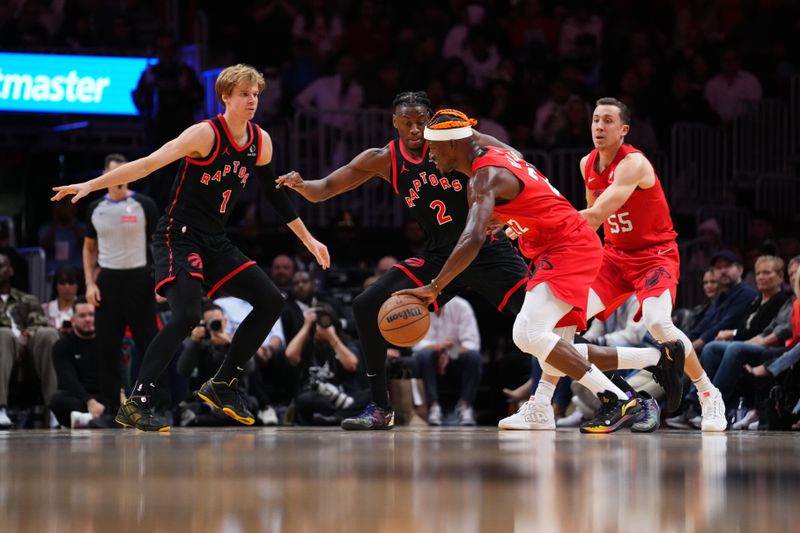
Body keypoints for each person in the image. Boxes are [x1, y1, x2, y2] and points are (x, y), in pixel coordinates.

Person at [279, 94, 677, 432]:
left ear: (448, 138)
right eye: (408, 124)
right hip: (444, 253)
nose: (421, 138)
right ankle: (382, 407)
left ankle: (614, 394)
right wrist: (302, 187)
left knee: (542, 336)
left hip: (493, 250)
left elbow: (476, 229)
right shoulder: (389, 159)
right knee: (368, 305)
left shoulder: (480, 163)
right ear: (395, 123)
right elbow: (327, 187)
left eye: (425, 128)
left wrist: (441, 281)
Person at [51, 64, 329, 431]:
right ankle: (138, 401)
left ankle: (223, 384)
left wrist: (308, 240)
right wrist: (93, 184)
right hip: (177, 236)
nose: (252, 100)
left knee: (271, 300)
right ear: (226, 97)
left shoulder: (261, 142)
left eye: (256, 94)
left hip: (216, 240)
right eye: (244, 94)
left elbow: (275, 198)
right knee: (186, 315)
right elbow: (148, 165)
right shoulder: (204, 135)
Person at [395, 108, 684, 434]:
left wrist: (435, 286)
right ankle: (652, 360)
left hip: (567, 248)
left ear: (453, 146)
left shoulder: (482, 178)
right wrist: (508, 216)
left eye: (434, 147)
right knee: (556, 351)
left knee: (526, 333)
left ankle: (617, 399)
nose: (428, 154)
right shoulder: (493, 153)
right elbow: (515, 164)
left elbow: (473, 237)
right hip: (563, 244)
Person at [521, 98, 726, 431]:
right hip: (614, 257)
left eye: (608, 121)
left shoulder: (634, 164)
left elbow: (598, 213)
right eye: (595, 120)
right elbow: (592, 224)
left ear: (624, 129)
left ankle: (708, 394)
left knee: (660, 325)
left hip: (654, 256)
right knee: (561, 321)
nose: (599, 127)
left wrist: (537, 223)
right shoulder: (587, 163)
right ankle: (542, 403)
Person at [83, 153, 161, 415]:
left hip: (140, 279)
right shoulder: (95, 208)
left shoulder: (144, 204)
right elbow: (89, 248)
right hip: (108, 281)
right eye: (115, 174)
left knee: (149, 344)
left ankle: (150, 405)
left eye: (125, 173)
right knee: (107, 346)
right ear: (105, 175)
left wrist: (162, 279)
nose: (119, 179)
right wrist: (90, 284)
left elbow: (159, 244)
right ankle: (111, 409)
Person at [0, 252, 61, 428]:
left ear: (11, 270)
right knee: (3, 334)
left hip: (29, 352)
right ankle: (0, 408)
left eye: (2, 265)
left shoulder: (27, 299)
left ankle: (55, 410)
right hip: (3, 349)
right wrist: (13, 339)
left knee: (48, 334)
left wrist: (25, 337)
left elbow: (38, 322)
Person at [412, 296, 482, 426]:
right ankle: (433, 407)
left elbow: (472, 343)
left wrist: (448, 354)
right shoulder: (417, 309)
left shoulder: (461, 305)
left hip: (454, 353)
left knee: (474, 357)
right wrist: (439, 348)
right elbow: (415, 343)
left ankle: (465, 406)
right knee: (423, 355)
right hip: (431, 354)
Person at [49, 297, 103, 429]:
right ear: (73, 320)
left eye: (91, 315)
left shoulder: (107, 341)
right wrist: (89, 401)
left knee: (127, 400)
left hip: (104, 395)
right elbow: (67, 379)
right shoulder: (62, 345)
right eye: (82, 316)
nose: (88, 319)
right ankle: (102, 418)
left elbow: (118, 371)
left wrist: (121, 393)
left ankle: (88, 419)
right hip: (79, 396)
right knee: (57, 401)